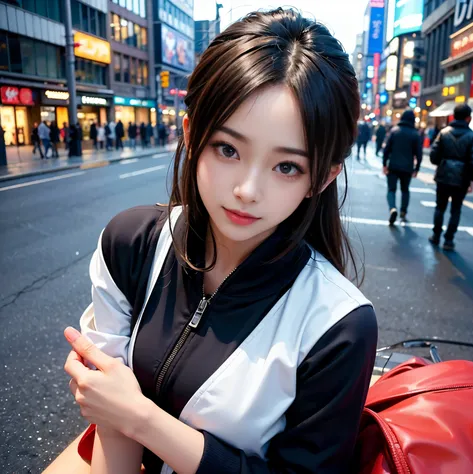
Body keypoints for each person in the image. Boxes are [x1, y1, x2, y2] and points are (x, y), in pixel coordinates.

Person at [46, 9, 377, 474]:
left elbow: (123, 412)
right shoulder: (131, 244)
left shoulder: (339, 325)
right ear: (191, 135)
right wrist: (122, 418)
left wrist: (142, 419)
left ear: (321, 178)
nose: (247, 190)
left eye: (287, 167)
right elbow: (111, 426)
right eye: (228, 149)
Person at [429, 103, 473, 250]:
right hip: (462, 178)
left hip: (443, 175)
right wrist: (471, 180)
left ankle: (436, 236)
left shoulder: (444, 133)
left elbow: (434, 157)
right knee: (456, 209)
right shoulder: (471, 136)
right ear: (468, 118)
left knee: (440, 207)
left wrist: (443, 162)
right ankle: (449, 240)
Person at [383, 109, 422, 225]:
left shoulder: (394, 131)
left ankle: (392, 208)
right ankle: (403, 212)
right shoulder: (415, 134)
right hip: (407, 167)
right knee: (405, 190)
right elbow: (418, 154)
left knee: (391, 189)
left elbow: (386, 150)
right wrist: (417, 169)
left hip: (393, 165)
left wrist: (384, 164)